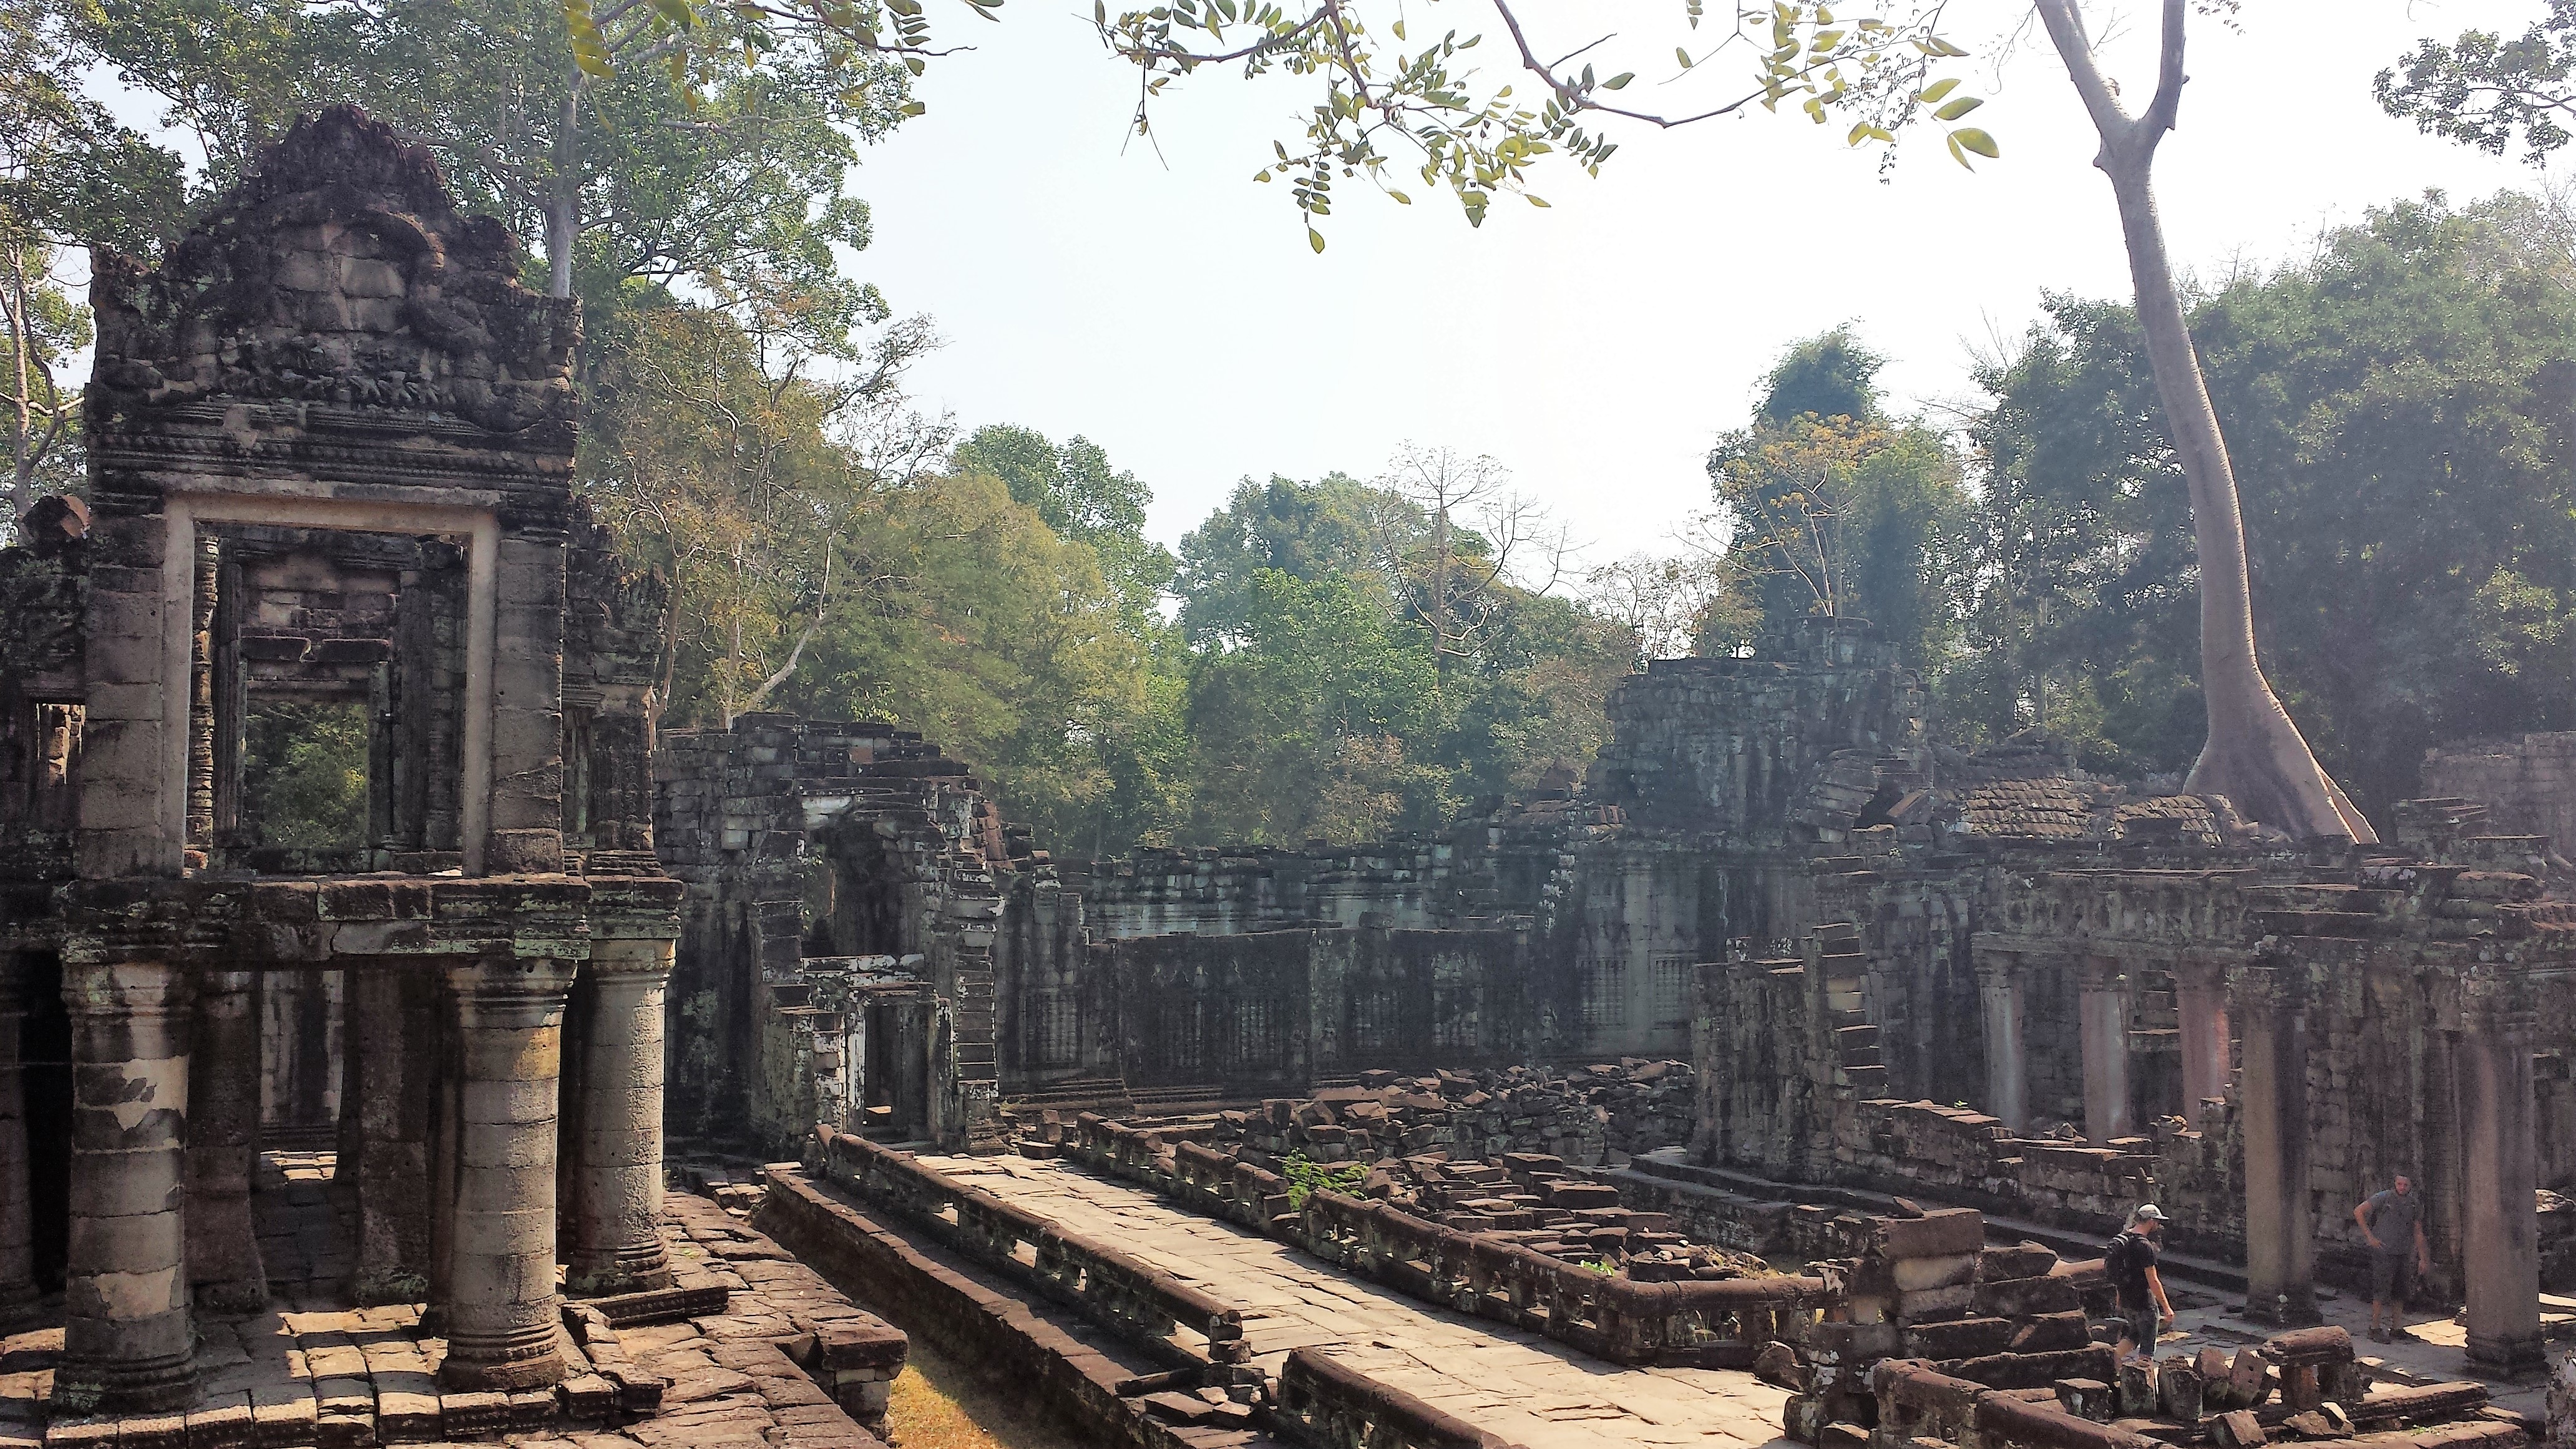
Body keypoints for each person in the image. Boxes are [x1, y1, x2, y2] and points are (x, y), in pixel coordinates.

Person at [2354, 1173, 2431, 1343]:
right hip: (2384, 1251)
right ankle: (2374, 1327)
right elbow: (2359, 1211)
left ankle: (2396, 1328)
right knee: (2381, 1290)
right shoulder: (2384, 1198)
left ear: (2410, 1186)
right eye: (2399, 1184)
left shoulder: (2414, 1204)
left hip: (2403, 1252)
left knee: (2400, 1292)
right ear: (2394, 1184)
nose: (2402, 1188)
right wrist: (2370, 1237)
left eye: (2405, 1185)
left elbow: (2418, 1231)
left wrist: (2423, 1258)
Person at [2108, 1204, 2174, 1367]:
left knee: (2134, 1334)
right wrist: (2166, 1308)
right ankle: (2141, 1381)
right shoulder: (2144, 1246)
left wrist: (2119, 1299)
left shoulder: (2123, 1240)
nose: (2158, 1225)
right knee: (2147, 1347)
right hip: (2144, 1303)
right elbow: (2153, 1281)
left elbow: (2119, 1272)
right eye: (2157, 1222)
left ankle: (2112, 1363)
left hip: (2127, 1299)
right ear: (2150, 1221)